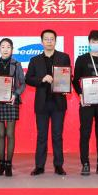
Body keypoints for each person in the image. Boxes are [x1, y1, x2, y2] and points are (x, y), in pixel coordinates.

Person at [25, 29, 71, 176]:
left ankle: (58, 165)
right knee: (42, 136)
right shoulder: (35, 60)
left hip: (58, 103)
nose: (49, 41)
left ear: (55, 41)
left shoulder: (64, 57)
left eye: (52, 39)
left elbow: (68, 75)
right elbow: (28, 79)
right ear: (42, 42)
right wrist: (42, 79)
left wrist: (66, 86)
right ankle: (39, 166)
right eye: (46, 39)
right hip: (42, 103)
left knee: (57, 135)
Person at [72, 30, 98, 176]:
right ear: (89, 43)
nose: (96, 44)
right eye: (93, 42)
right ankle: (85, 163)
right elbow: (75, 80)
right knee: (85, 132)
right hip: (87, 101)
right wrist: (80, 94)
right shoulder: (82, 59)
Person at [0, 38, 26, 177]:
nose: (5, 49)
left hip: (11, 101)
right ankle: (1, 164)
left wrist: (16, 94)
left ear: (12, 49)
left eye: (8, 47)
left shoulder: (16, 64)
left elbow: (23, 83)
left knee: (10, 134)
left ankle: (9, 164)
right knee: (1, 134)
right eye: (2, 47)